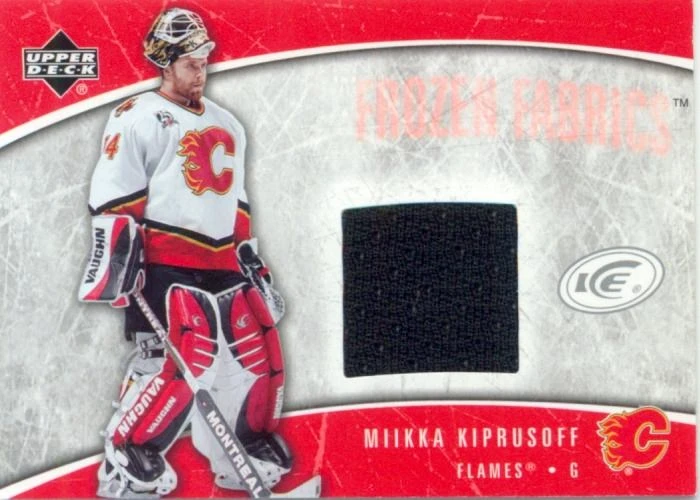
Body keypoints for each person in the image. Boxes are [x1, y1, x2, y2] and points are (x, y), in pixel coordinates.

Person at [79, 8, 291, 498]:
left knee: (254, 354)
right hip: (164, 263)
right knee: (177, 359)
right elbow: (114, 192)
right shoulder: (137, 115)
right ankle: (128, 453)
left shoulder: (228, 123)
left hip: (224, 263)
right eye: (191, 63)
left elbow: (237, 202)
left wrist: (251, 262)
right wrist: (117, 260)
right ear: (166, 63)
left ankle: (241, 451)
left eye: (204, 62)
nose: (201, 71)